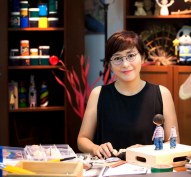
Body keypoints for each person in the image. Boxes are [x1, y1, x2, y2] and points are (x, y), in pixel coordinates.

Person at [77, 30, 179, 159]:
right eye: (117, 58)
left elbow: (174, 143)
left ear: (142, 57)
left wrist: (147, 150)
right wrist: (96, 148)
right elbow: (82, 139)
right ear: (110, 65)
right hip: (110, 170)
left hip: (148, 170)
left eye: (131, 55)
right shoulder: (98, 94)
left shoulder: (162, 94)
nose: (125, 64)